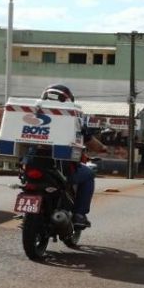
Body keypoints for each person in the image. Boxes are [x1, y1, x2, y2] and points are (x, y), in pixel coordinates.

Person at [39, 84, 105, 228]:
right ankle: (79, 214)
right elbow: (91, 142)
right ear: (68, 100)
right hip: (60, 170)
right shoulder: (72, 117)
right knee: (88, 175)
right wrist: (103, 148)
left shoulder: (32, 113)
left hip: (32, 165)